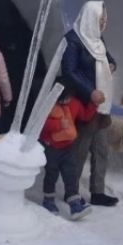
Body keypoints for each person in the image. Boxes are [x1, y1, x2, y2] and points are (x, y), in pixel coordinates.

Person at [61, 1, 119, 207]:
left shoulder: (97, 37)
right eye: (100, 19)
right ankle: (71, 192)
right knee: (79, 150)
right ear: (90, 17)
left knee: (101, 149)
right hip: (84, 104)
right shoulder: (73, 40)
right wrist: (90, 91)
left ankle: (97, 192)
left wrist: (112, 64)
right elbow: (69, 71)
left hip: (102, 104)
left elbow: (107, 57)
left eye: (105, 19)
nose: (103, 23)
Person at [39, 88, 98, 219]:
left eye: (67, 98)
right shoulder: (48, 105)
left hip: (68, 147)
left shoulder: (75, 103)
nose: (65, 101)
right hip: (51, 147)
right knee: (51, 174)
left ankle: (75, 204)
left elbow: (85, 116)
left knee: (71, 174)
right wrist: (58, 124)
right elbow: (42, 124)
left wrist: (94, 104)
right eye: (62, 99)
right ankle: (48, 200)